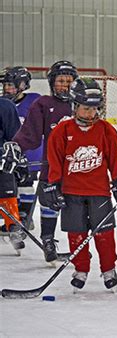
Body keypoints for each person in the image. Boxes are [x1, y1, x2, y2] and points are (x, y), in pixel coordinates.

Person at [44, 77, 117, 292]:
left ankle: (108, 269)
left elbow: (115, 160)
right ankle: (81, 269)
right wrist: (52, 186)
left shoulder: (106, 130)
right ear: (75, 106)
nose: (90, 113)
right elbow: (54, 162)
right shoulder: (62, 131)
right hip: (71, 193)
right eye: (86, 108)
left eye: (94, 109)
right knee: (76, 234)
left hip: (99, 192)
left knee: (104, 234)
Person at [12, 60, 78, 262]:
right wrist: (14, 148)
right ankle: (48, 240)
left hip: (80, 167)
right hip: (53, 165)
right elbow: (30, 135)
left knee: (78, 206)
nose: (64, 85)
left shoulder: (83, 104)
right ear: (52, 82)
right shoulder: (43, 104)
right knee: (49, 201)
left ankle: (79, 245)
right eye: (60, 80)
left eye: (69, 81)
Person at [1, 66, 42, 229]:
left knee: (26, 183)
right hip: (10, 153)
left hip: (29, 152)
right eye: (5, 85)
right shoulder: (4, 105)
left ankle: (26, 216)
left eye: (11, 85)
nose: (6, 89)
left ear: (23, 85)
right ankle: (15, 217)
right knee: (12, 185)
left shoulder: (34, 101)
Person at [0, 97, 28, 251]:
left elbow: (14, 137)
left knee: (6, 188)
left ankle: (13, 226)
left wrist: (17, 157)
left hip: (1, 160)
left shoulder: (4, 106)